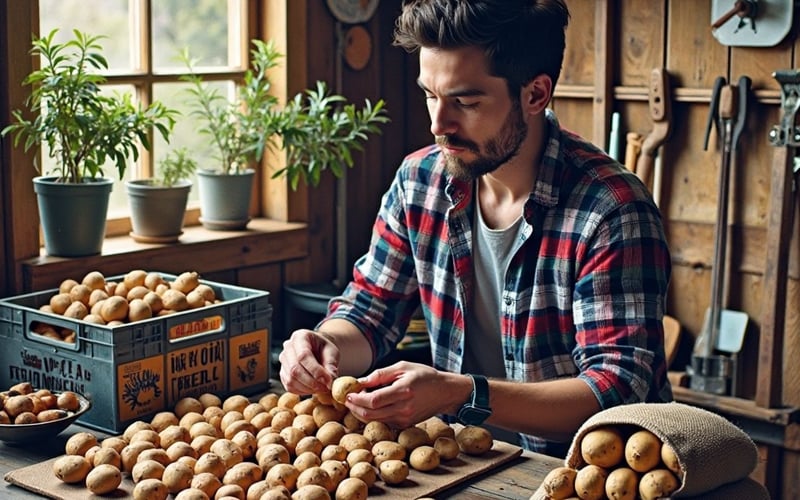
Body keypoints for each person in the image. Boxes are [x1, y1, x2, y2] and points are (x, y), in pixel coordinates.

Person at [279, 0, 672, 457]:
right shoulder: (419, 180)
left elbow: (614, 392)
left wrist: (460, 393)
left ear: (535, 95)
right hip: (460, 462)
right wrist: (324, 344)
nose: (437, 124)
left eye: (464, 101)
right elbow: (370, 312)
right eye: (430, 94)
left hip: (583, 472)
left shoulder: (612, 210)